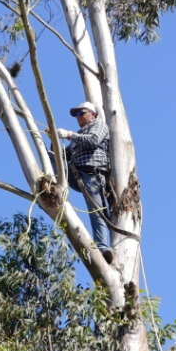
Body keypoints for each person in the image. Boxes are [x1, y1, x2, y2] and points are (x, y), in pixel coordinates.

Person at [51, 101, 114, 264]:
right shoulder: (79, 135)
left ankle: (102, 246)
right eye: (76, 115)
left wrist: (70, 135)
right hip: (75, 172)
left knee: (96, 210)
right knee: (51, 156)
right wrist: (54, 141)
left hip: (92, 173)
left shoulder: (99, 125)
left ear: (92, 114)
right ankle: (51, 187)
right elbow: (65, 155)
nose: (78, 117)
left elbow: (93, 141)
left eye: (81, 113)